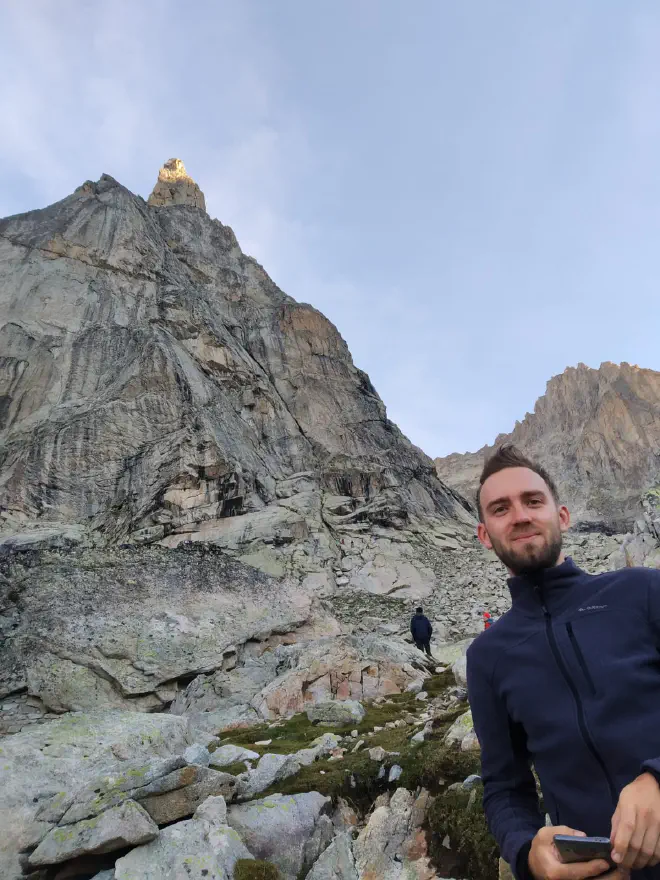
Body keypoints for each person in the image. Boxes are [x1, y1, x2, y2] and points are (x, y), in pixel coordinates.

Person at [467, 444, 660, 880]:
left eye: (533, 501)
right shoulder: (487, 657)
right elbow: (504, 789)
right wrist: (527, 856)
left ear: (563, 516)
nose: (520, 516)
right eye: (501, 508)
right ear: (484, 535)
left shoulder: (643, 592)